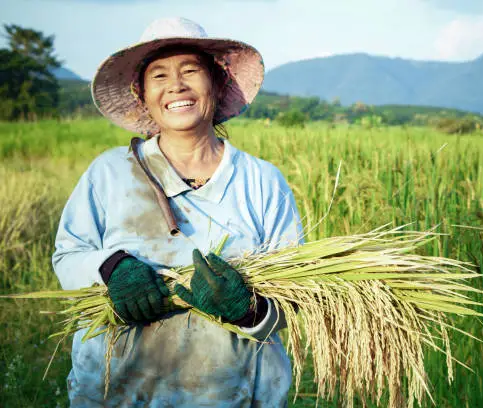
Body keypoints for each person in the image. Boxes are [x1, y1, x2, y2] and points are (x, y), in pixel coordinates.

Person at [52, 17, 303, 407]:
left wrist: (246, 308)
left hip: (231, 392)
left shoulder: (261, 180)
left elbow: (294, 298)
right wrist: (112, 268)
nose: (176, 86)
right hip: (119, 390)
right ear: (142, 94)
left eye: (191, 71)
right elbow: (68, 257)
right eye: (159, 75)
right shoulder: (112, 172)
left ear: (216, 85)